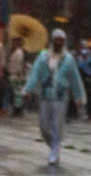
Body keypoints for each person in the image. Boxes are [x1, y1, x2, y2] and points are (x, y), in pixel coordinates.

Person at [22, 26, 86, 165]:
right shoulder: (43, 57)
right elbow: (35, 74)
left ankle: (54, 152)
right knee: (44, 126)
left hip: (61, 97)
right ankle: (54, 146)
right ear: (52, 40)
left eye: (61, 40)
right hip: (45, 95)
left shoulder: (68, 59)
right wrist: (27, 90)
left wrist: (79, 97)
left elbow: (75, 79)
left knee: (57, 125)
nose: (59, 42)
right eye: (56, 39)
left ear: (64, 42)